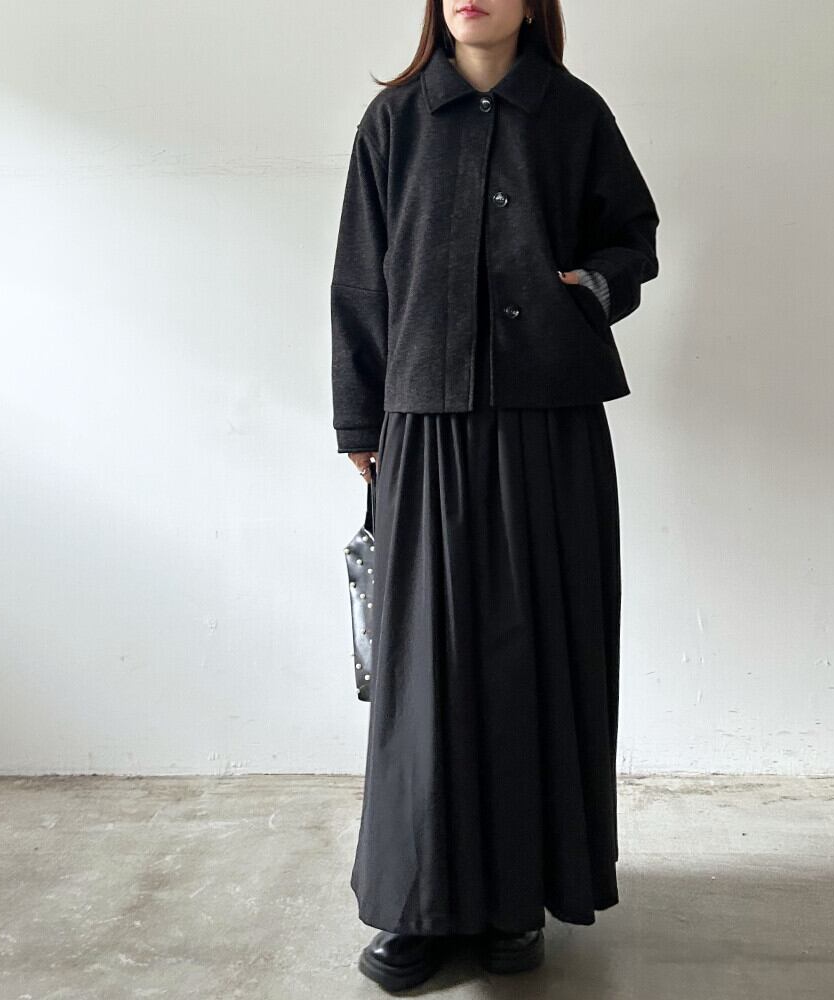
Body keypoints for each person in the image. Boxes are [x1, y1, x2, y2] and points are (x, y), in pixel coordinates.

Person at [330, 0, 660, 989]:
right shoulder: (394, 120)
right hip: (424, 422)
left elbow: (632, 237)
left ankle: (520, 895)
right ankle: (420, 904)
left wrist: (587, 288)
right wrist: (359, 420)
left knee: (533, 655)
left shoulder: (574, 113)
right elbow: (358, 278)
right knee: (425, 670)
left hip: (548, 421)